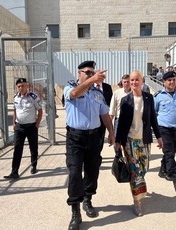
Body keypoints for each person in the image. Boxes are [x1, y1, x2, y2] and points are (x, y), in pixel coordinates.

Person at [64, 61, 114, 230]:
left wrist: (111, 133)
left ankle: (88, 199)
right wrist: (92, 80)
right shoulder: (70, 87)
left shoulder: (97, 93)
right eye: (87, 72)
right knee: (75, 172)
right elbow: (76, 93)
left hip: (94, 138)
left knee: (92, 171)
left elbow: (105, 114)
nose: (90, 75)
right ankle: (75, 211)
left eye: (92, 72)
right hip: (75, 139)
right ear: (79, 73)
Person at [115, 70, 163, 217]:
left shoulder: (149, 98)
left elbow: (153, 119)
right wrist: (118, 141)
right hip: (130, 142)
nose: (134, 83)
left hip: (145, 140)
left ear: (142, 82)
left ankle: (140, 190)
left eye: (137, 80)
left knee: (144, 168)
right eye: (132, 80)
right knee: (135, 173)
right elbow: (122, 123)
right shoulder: (125, 100)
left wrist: (159, 137)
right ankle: (137, 202)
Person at [4, 78, 43, 179]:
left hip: (31, 127)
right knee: (17, 149)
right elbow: (15, 111)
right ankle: (14, 171)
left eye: (23, 86)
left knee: (33, 147)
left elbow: (40, 111)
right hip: (19, 127)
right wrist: (13, 123)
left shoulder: (33, 97)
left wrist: (37, 124)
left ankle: (34, 165)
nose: (21, 88)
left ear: (27, 86)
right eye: (19, 86)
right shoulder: (15, 97)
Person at [95, 80, 113, 152]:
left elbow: (110, 100)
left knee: (101, 135)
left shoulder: (107, 87)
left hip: (104, 116)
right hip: (94, 116)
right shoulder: (91, 87)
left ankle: (98, 151)